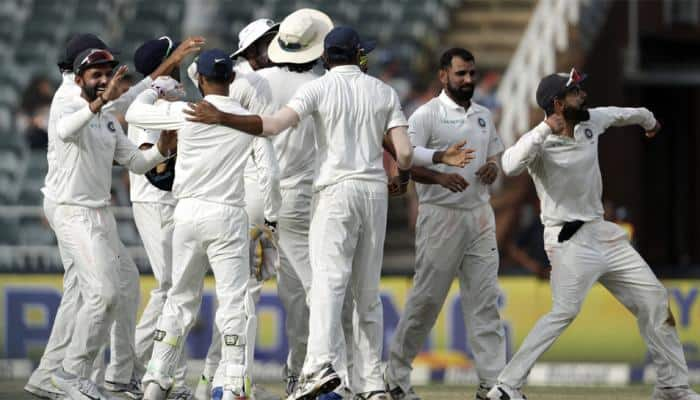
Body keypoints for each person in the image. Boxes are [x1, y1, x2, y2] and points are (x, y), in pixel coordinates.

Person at [184, 26, 474, 400]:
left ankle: (317, 368)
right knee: (367, 292)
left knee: (328, 283)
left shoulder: (318, 87)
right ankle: (372, 385)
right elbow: (402, 155)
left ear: (326, 57)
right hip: (373, 194)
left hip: (333, 192)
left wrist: (223, 118)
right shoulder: (382, 90)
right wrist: (405, 178)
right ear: (357, 56)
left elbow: (271, 126)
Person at [487, 69, 700, 400]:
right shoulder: (539, 141)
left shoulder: (591, 121)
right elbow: (510, 164)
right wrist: (544, 129)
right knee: (564, 312)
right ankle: (506, 386)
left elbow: (628, 114)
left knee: (656, 300)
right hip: (568, 240)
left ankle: (673, 387)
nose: (582, 94)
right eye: (575, 92)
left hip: (603, 233)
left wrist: (650, 123)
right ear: (558, 103)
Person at [25, 33, 198, 400]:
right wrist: (104, 98)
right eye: (97, 73)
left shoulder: (103, 115)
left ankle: (68, 374)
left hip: (96, 211)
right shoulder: (67, 101)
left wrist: (162, 150)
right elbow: (64, 130)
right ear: (77, 75)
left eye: (108, 72)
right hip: (72, 211)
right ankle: (72, 373)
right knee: (102, 291)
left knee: (121, 283)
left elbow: (135, 160)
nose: (106, 80)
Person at [125, 49, 260, 400]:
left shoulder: (186, 111)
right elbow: (269, 171)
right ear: (231, 79)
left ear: (199, 79)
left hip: (186, 213)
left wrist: (155, 88)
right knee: (233, 302)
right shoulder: (247, 118)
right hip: (227, 214)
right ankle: (232, 386)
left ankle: (156, 380)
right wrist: (269, 219)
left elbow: (134, 111)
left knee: (179, 299)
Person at [384, 48, 507, 400]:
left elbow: (493, 156)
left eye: (471, 73)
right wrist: (438, 178)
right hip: (441, 216)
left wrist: (492, 168)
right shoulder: (426, 115)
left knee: (484, 302)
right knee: (426, 301)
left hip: (480, 215)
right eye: (460, 74)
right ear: (443, 76)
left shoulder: (483, 115)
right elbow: (402, 162)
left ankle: (491, 384)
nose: (468, 80)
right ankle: (396, 379)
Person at [123, 35, 195, 400]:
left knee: (172, 289)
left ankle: (154, 373)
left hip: (166, 202)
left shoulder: (166, 98)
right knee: (170, 287)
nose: (179, 61)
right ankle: (137, 368)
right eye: (173, 57)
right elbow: (157, 169)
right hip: (156, 200)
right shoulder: (150, 103)